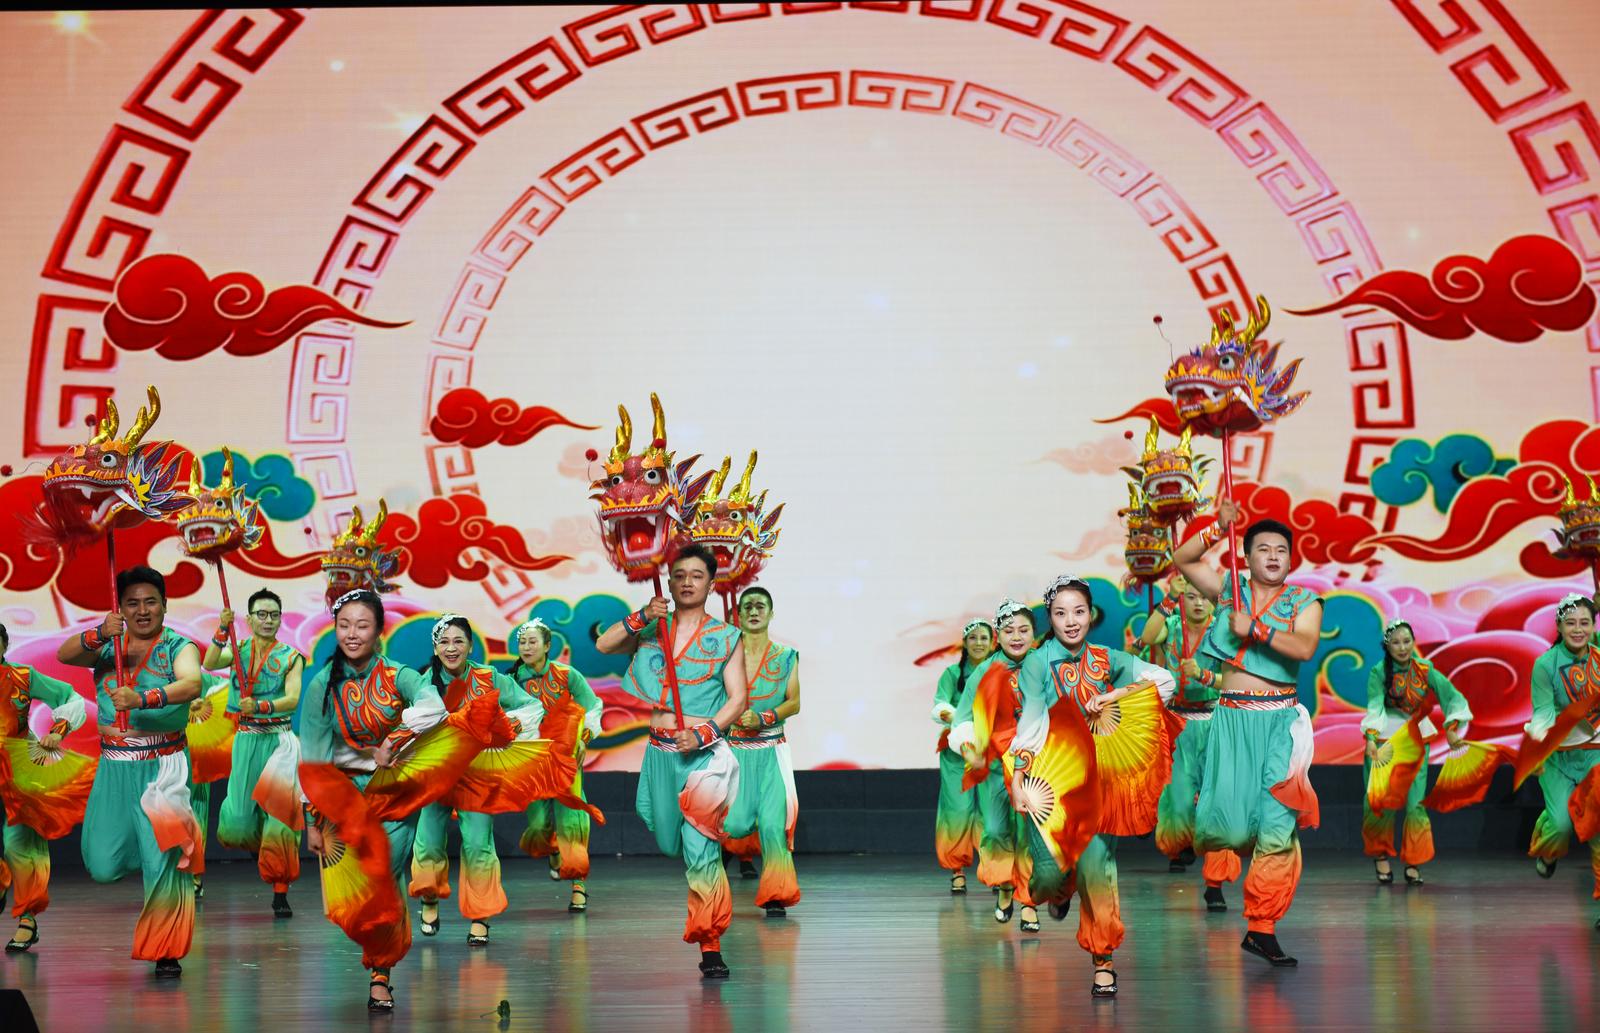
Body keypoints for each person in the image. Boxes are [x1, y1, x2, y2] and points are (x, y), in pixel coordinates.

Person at [1012, 575, 1176, 997]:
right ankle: (1060, 890)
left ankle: (1104, 960)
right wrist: (1018, 776)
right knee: (1048, 877)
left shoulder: (1107, 658)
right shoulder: (1036, 662)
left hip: (1098, 779)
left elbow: (1165, 681)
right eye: (1061, 613)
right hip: (1048, 781)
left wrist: (1115, 695)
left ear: (1091, 614)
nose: (1071, 621)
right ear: (1050, 618)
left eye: (1079, 611)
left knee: (1097, 869)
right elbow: (1031, 721)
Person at [1174, 504, 1323, 967]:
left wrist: (1255, 629)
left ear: (1291, 558)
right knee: (1234, 829)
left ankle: (1262, 927)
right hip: (1232, 720)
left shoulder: (1305, 601)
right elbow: (1182, 559)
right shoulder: (1229, 591)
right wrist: (1216, 528)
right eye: (1264, 549)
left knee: (1278, 827)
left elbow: (1304, 646)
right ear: (1247, 555)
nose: (1273, 556)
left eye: (1281, 550)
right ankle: (1229, 886)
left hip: (1281, 724)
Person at [596, 544, 748, 980]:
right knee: (668, 840)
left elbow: (738, 699)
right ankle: (709, 861)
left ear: (711, 584)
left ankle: (710, 943)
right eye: (679, 575)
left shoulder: (726, 637)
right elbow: (605, 644)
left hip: (702, 756)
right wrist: (642, 614)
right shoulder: (653, 628)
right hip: (660, 753)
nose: (687, 582)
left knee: (700, 852)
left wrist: (704, 733)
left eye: (697, 575)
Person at [299, 589, 447, 1012]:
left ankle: (381, 973)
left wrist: (394, 740)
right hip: (344, 797)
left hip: (394, 791)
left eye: (362, 625)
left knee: (384, 873)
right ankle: (380, 950)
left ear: (379, 630)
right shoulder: (323, 684)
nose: (352, 634)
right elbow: (313, 757)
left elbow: (434, 708)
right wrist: (311, 821)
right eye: (344, 625)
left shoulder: (400, 675)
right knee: (358, 889)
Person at [57, 565, 203, 978]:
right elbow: (65, 655)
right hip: (114, 768)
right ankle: (150, 853)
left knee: (164, 862)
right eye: (133, 603)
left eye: (150, 602)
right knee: (102, 864)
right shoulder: (110, 646)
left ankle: (166, 950)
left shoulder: (178, 646)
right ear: (120, 607)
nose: (142, 610)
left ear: (164, 605)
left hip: (163, 767)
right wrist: (99, 633)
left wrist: (142, 699)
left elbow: (191, 684)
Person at [409, 614, 542, 946]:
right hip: (437, 770)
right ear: (435, 648)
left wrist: (507, 725)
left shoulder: (488, 676)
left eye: (458, 641)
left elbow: (531, 706)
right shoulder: (424, 682)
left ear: (470, 646)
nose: (451, 648)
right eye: (444, 642)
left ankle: (480, 916)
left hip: (477, 773)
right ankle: (429, 897)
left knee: (479, 844)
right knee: (428, 840)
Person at [1140, 576, 1240, 911]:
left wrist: (1202, 675)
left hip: (1215, 723)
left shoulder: (1223, 632)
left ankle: (1215, 883)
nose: (1198, 603)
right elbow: (1147, 638)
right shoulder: (1172, 625)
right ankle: (1180, 845)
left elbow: (1235, 680)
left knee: (1218, 803)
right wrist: (1169, 598)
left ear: (1213, 601)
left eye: (1203, 598)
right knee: (1180, 803)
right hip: (1179, 724)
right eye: (1191, 597)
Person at [203, 589, 304, 917]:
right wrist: (222, 628)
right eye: (261, 614)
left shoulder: (291, 656)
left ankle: (280, 890)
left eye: (274, 614)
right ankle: (263, 848)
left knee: (281, 819)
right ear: (248, 619)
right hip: (246, 740)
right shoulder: (237, 649)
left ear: (280, 618)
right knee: (238, 826)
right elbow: (209, 663)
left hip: (280, 742)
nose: (268, 620)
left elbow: (292, 699)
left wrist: (260, 706)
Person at [0, 622, 90, 952]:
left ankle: (28, 919)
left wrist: (58, 729)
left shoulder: (22, 677)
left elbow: (69, 696)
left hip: (20, 767)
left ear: (5, 645)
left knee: (22, 844)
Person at [1362, 618, 1472, 886]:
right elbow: (1375, 706)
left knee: (1416, 805)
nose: (1402, 647)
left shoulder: (1425, 669)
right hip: (1385, 743)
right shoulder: (1379, 672)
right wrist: (1371, 738)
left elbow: (1451, 696)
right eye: (1396, 643)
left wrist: (1452, 728)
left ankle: (1413, 860)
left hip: (1416, 741)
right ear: (1387, 646)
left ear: (1413, 642)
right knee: (1381, 802)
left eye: (1406, 641)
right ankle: (1380, 855)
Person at [949, 599, 1036, 930]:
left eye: (1024, 630)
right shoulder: (984, 671)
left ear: (1034, 634)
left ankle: (1029, 903)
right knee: (998, 830)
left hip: (1035, 765)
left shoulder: (1044, 665)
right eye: (1009, 631)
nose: (1017, 637)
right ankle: (1004, 886)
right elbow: (962, 718)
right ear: (998, 635)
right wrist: (969, 749)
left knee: (1030, 834)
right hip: (997, 766)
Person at [722, 586, 802, 918]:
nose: (754, 611)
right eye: (748, 606)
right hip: (734, 753)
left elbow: (794, 702)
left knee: (772, 825)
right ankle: (722, 861)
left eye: (761, 606)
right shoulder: (725, 658)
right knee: (734, 823)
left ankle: (776, 895)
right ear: (737, 614)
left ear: (771, 613)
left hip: (772, 752)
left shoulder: (786, 656)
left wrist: (765, 717)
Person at [513, 617, 602, 913]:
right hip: (533, 758)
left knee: (572, 818)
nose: (526, 647)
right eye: (522, 642)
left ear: (547, 646)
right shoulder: (512, 679)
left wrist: (584, 738)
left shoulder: (567, 675)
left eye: (532, 642)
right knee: (538, 824)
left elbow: (592, 705)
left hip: (565, 757)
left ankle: (578, 886)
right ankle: (552, 848)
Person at [1525, 593, 1600, 924]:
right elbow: (1542, 713)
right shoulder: (1545, 665)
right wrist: (1537, 747)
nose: (1578, 629)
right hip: (1559, 757)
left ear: (1593, 626)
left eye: (1585, 622)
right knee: (1559, 827)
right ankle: (1548, 850)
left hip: (1595, 754)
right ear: (1559, 626)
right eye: (1571, 623)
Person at [932, 619, 995, 894]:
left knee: (991, 810)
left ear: (992, 643)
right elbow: (940, 706)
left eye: (984, 638)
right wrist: (961, 721)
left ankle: (995, 868)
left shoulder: (998, 671)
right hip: (957, 752)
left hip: (991, 750)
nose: (978, 643)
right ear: (965, 643)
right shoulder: (952, 673)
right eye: (973, 638)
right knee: (957, 810)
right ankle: (957, 870)